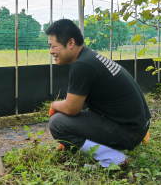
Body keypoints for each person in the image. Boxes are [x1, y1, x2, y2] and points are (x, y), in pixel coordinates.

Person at [46, 19, 151, 167]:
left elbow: (71, 108)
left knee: (57, 123)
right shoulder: (89, 57)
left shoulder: (82, 65)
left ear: (70, 43)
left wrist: (54, 104)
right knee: (65, 117)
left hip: (129, 132)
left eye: (53, 46)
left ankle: (114, 159)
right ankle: (90, 148)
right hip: (138, 126)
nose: (51, 51)